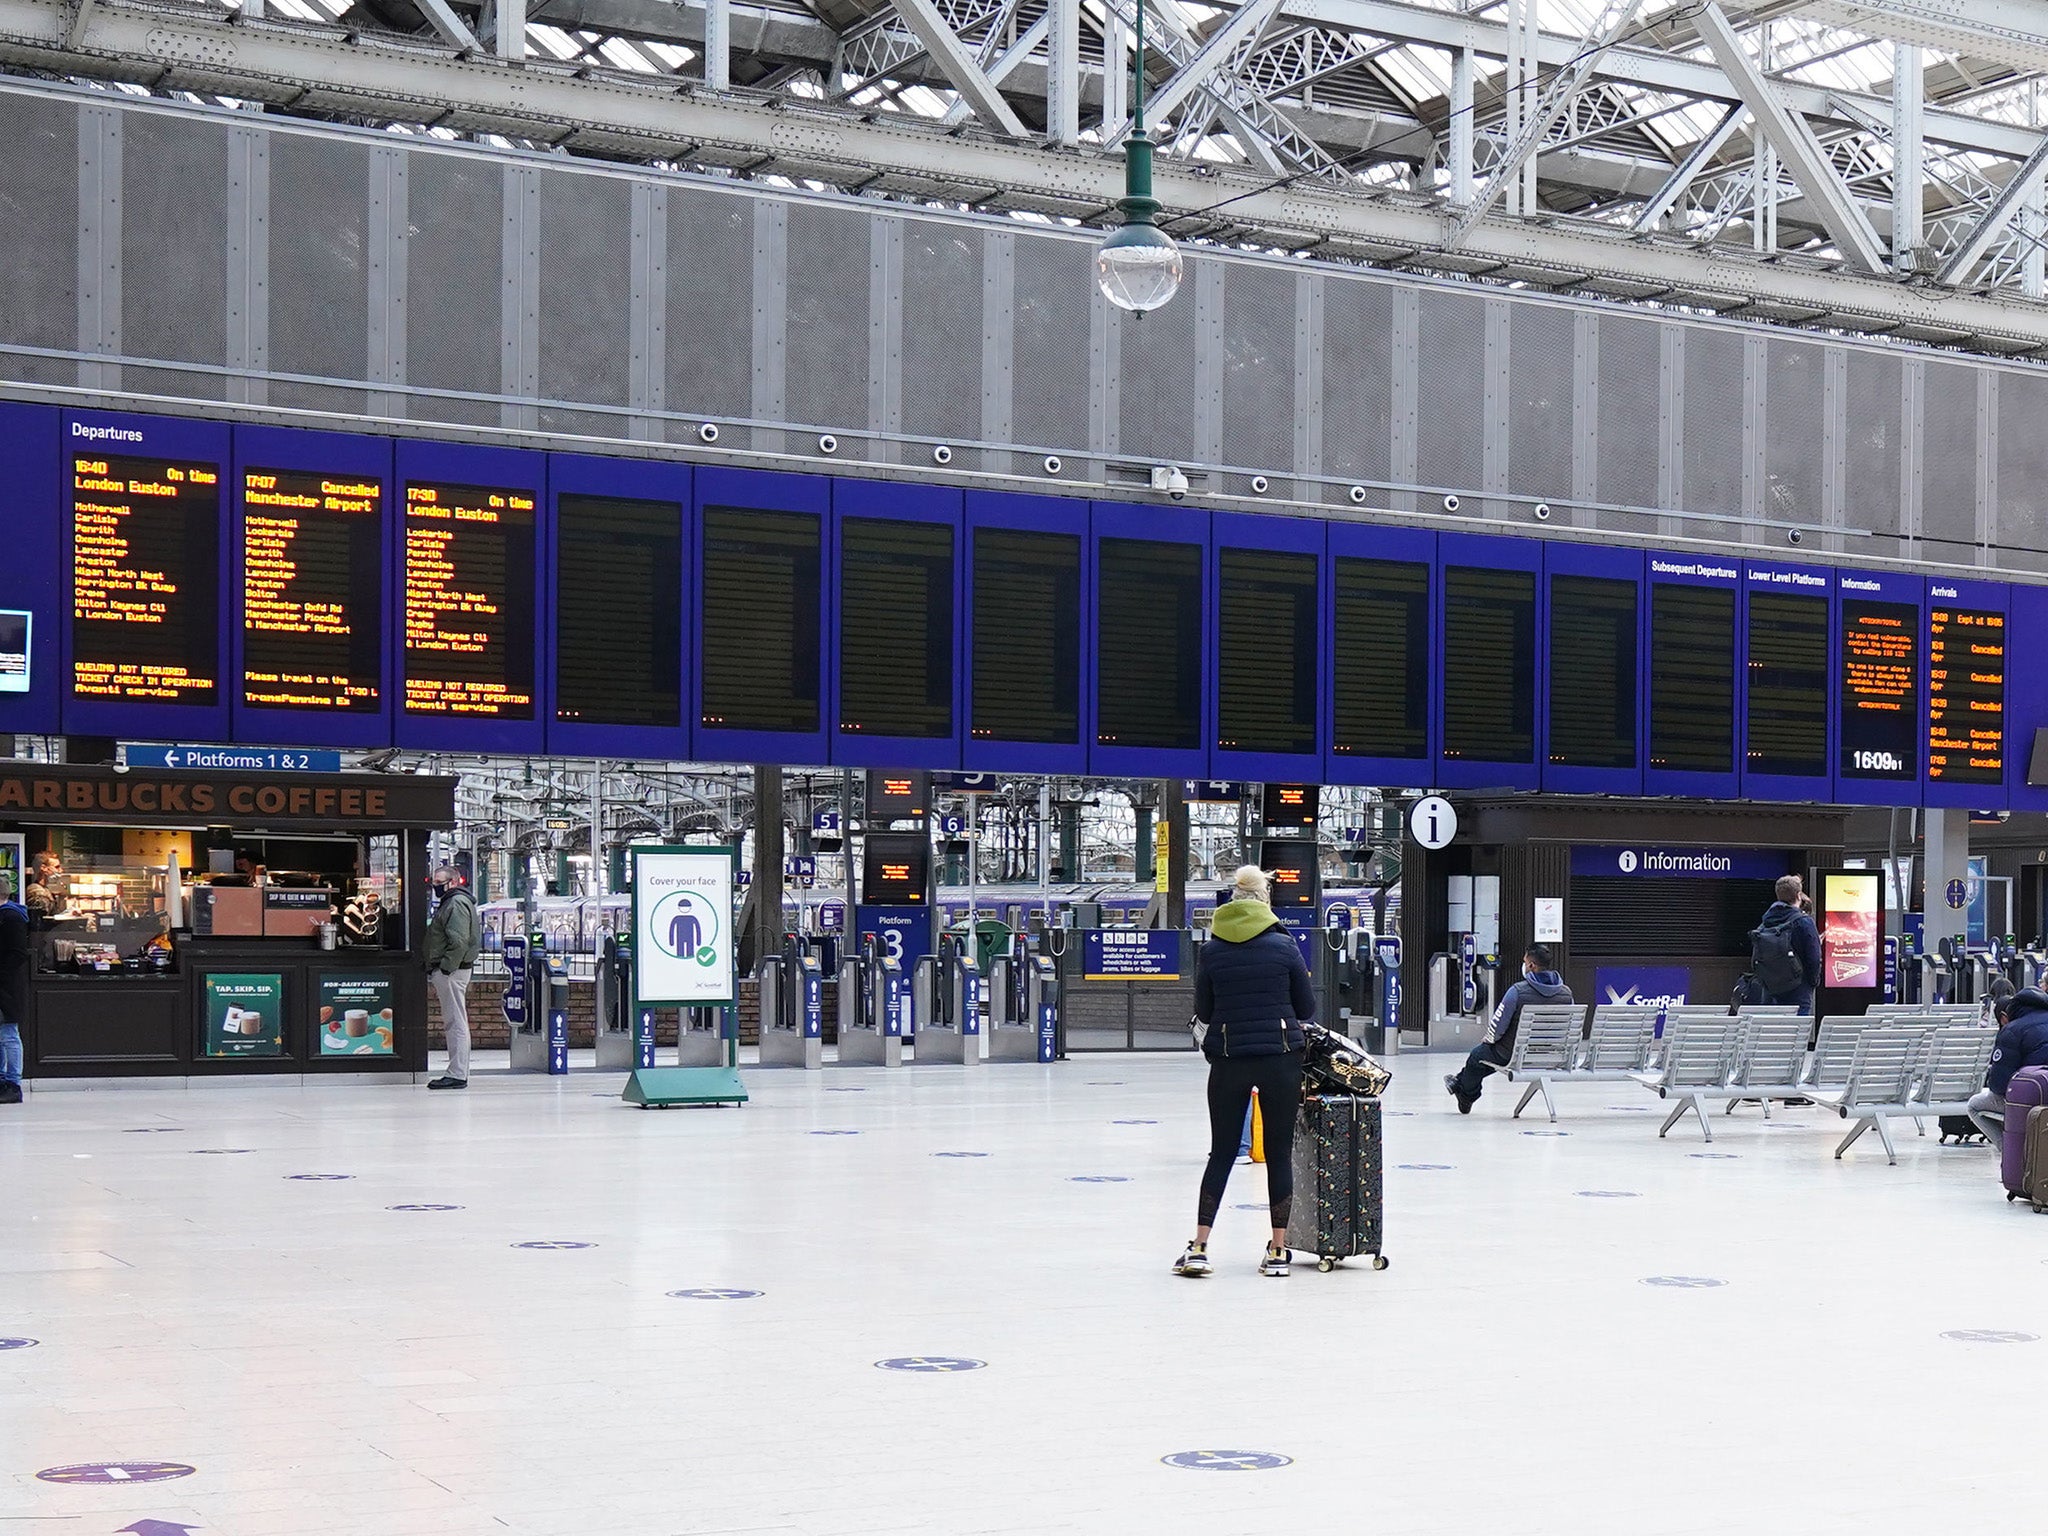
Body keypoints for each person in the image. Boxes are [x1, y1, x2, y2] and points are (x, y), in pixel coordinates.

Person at [1174, 865, 1314, 1280]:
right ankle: (1277, 1250)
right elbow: (1305, 1009)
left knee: (1220, 1153)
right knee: (1277, 1154)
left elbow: (1206, 1011)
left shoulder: (1212, 950)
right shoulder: (1285, 946)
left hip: (1230, 1058)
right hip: (1281, 1057)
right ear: (1264, 898)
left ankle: (1199, 1246)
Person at [1445, 943, 1573, 1113]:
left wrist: (1489, 1039)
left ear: (1531, 966)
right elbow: (1571, 1027)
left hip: (1514, 1053)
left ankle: (1466, 1094)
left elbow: (1498, 1026)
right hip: (1550, 1054)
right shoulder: (1566, 993)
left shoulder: (1517, 991)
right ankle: (1459, 1082)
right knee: (1486, 1059)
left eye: (1525, 961)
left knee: (1477, 1057)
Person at [1967, 984, 2048, 1151]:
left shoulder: (2012, 1030)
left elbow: (1998, 1086)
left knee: (1974, 1105)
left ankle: (2013, 1154)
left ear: (2004, 1017)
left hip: (2033, 1101)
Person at [422, 866, 481, 1091]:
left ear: (453, 882)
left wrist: (446, 968)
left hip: (452, 972)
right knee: (454, 1020)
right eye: (434, 881)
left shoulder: (455, 904)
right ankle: (456, 1071)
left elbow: (458, 941)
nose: (435, 885)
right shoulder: (454, 902)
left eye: (439, 881)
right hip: (452, 970)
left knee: (455, 1021)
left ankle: (457, 1073)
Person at [1751, 874, 1822, 1014]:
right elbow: (1813, 958)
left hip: (1770, 988)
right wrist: (1812, 983)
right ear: (1798, 895)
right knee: (1797, 1032)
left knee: (1772, 1032)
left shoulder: (1765, 923)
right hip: (1798, 989)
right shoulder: (1804, 922)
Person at [0, 873, 28, 1106]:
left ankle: (13, 1083)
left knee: (9, 1034)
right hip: (6, 984)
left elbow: (17, 953)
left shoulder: (11, 918)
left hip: (7, 987)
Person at [24, 849, 64, 920]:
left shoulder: (45, 889)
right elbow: (41, 919)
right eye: (57, 867)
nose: (61, 870)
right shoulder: (35, 891)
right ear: (43, 868)